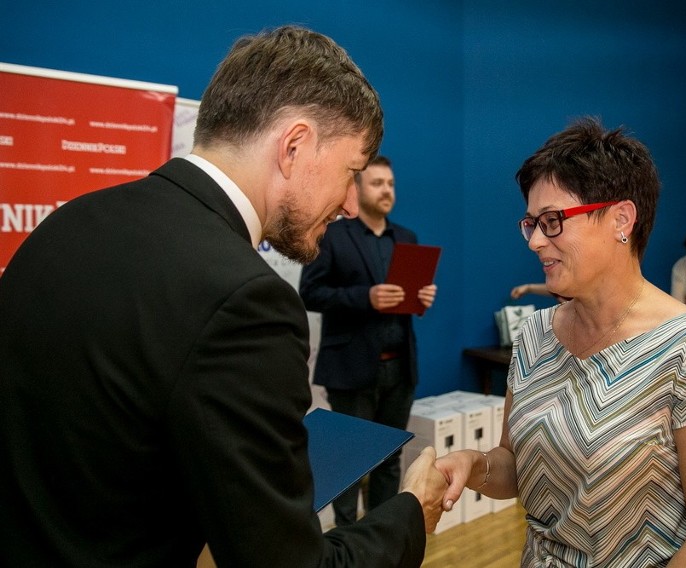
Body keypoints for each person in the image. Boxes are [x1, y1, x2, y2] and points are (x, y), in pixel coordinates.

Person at [0, 26, 447, 568]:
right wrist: (413, 512)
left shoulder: (63, 225)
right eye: (351, 173)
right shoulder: (246, 299)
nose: (349, 204)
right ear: (295, 145)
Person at [435, 117, 686, 567]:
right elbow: (516, 467)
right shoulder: (534, 336)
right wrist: (475, 465)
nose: (534, 242)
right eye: (530, 223)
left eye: (552, 221)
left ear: (621, 219)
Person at [299, 155, 437, 527]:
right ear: (356, 189)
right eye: (377, 183)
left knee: (389, 459)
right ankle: (346, 543)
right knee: (348, 464)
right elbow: (309, 292)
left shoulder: (406, 237)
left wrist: (420, 301)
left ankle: (380, 537)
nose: (387, 190)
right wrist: (366, 297)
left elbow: (407, 298)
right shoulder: (333, 233)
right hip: (350, 368)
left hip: (400, 366)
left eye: (390, 184)